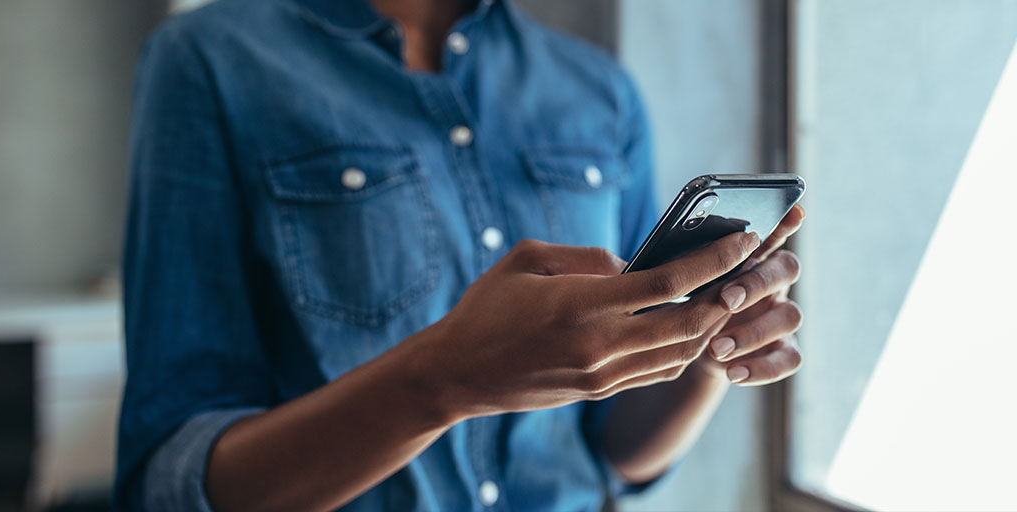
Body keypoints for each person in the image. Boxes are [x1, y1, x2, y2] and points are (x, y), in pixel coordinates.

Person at [115, 0, 806, 510]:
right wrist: (443, 379)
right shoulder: (211, 60)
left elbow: (611, 450)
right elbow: (172, 481)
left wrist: (706, 342)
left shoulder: (598, 91)